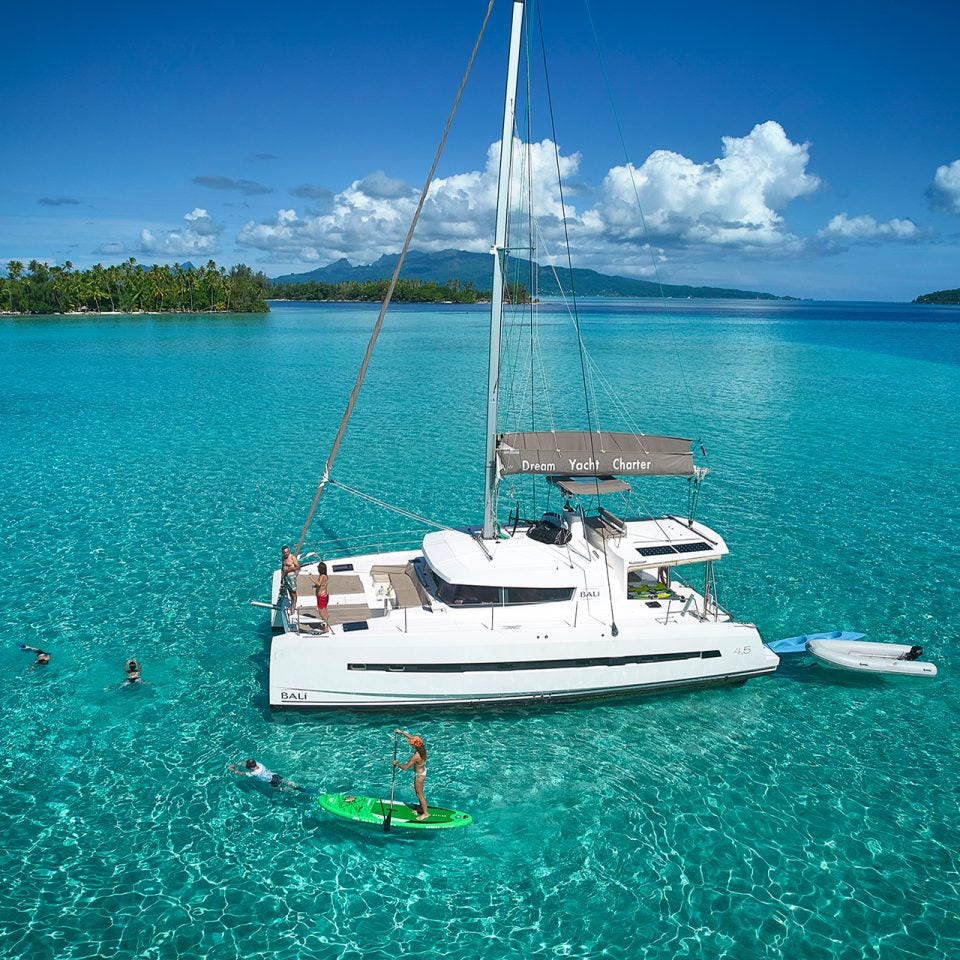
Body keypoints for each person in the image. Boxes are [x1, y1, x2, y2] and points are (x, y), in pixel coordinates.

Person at [394, 729, 429, 820]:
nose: (410, 743)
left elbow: (406, 767)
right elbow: (411, 737)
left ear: (415, 745)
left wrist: (397, 764)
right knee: (419, 794)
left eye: (412, 743)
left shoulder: (416, 756)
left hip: (419, 776)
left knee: (419, 794)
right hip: (423, 771)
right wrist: (401, 732)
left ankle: (425, 813)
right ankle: (421, 809)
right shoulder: (422, 746)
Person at [227, 757, 305, 792]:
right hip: (275, 775)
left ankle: (293, 789)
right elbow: (246, 764)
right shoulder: (259, 764)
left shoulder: (255, 773)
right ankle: (296, 785)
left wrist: (234, 770)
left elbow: (242, 773)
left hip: (272, 781)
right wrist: (238, 764)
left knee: (279, 790)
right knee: (285, 781)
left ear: (251, 767)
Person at [281, 545, 301, 616]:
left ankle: (293, 607)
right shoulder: (283, 558)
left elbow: (298, 567)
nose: (286, 554)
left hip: (291, 577)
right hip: (286, 577)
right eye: (284, 552)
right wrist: (281, 578)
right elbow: (282, 568)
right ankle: (292, 605)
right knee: (290, 593)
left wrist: (290, 569)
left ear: (289, 551)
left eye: (287, 552)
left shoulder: (292, 557)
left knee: (293, 593)